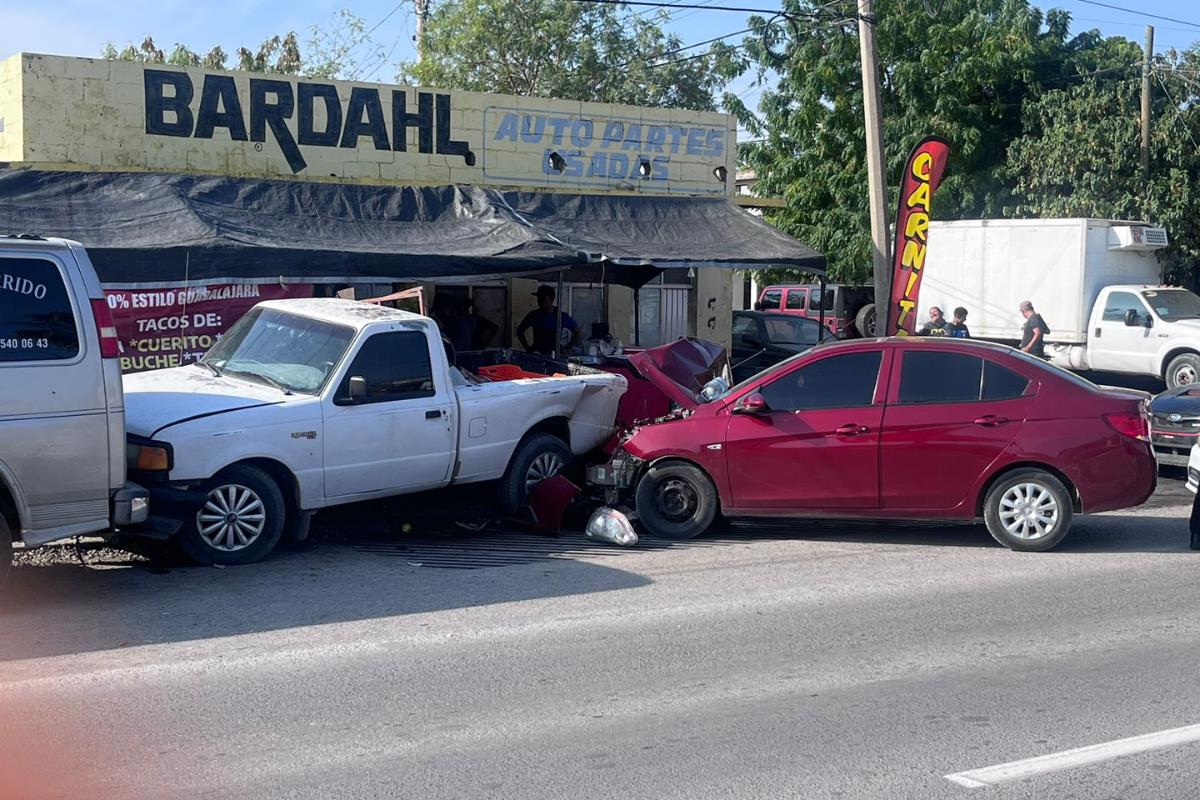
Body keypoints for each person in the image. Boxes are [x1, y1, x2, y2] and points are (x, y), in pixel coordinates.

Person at [517, 285, 580, 355]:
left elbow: (578, 333)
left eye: (543, 299)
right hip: (538, 353)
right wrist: (528, 349)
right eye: (538, 299)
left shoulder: (560, 316)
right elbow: (519, 331)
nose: (539, 302)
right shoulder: (534, 315)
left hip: (555, 354)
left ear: (551, 299)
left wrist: (568, 347)